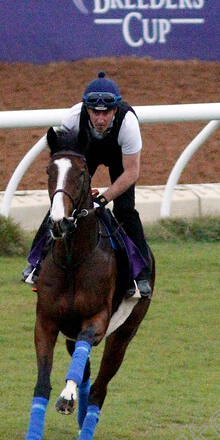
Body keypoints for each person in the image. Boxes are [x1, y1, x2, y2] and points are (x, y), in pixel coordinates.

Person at [22, 72, 152, 298]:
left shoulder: (128, 123)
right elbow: (65, 162)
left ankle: (140, 275)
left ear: (115, 110)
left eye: (106, 113)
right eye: (94, 112)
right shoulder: (73, 118)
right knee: (61, 206)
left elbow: (132, 172)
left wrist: (102, 199)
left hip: (119, 159)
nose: (100, 119)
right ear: (86, 109)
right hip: (84, 154)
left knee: (125, 210)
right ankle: (36, 263)